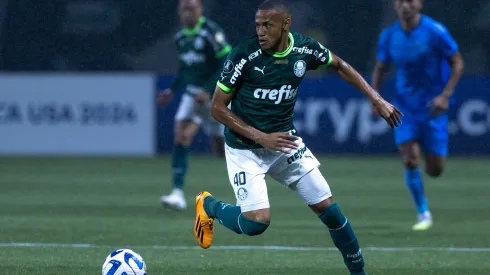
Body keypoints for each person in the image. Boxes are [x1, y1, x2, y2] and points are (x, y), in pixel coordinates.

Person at [192, 1, 403, 274]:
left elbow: (340, 65)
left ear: (286, 25)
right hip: (245, 148)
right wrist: (260, 137)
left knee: (331, 212)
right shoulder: (243, 55)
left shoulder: (305, 49)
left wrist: (377, 98)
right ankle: (208, 204)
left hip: (284, 143)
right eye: (258, 25)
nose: (261, 31)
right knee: (256, 223)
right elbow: (217, 107)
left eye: (268, 25)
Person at [371, 0, 464, 231]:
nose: (405, 5)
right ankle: (423, 213)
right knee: (410, 158)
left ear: (420, 4)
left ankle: (430, 170)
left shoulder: (435, 31)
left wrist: (445, 96)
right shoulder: (389, 35)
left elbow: (457, 62)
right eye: (400, 1)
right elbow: (381, 68)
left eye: (410, 0)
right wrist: (376, 98)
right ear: (394, 5)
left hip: (433, 108)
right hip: (404, 108)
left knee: (435, 169)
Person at [157, 0, 232, 210]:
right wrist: (171, 90)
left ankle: (252, 176)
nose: (187, 13)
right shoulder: (181, 36)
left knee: (221, 151)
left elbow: (227, 60)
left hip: (215, 97)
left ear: (200, 10)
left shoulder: (210, 31)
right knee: (182, 136)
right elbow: (184, 68)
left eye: (191, 9)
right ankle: (177, 193)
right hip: (192, 96)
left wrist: (208, 89)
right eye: (183, 9)